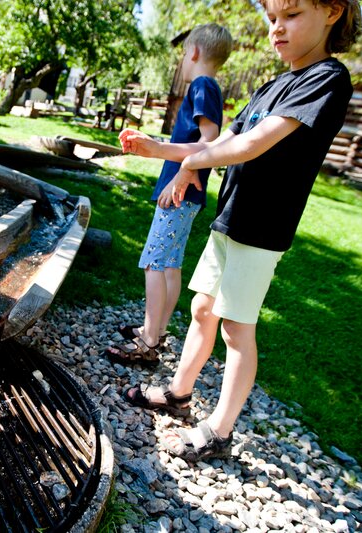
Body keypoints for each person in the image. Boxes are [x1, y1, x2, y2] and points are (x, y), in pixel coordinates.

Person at [119, 0, 360, 462]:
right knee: (203, 308)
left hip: (263, 226)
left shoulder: (326, 80)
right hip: (231, 217)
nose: (277, 29)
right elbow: (224, 141)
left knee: (235, 328)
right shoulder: (275, 83)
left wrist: (190, 162)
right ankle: (178, 393)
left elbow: (252, 144)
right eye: (272, 19)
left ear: (332, 11)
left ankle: (220, 430)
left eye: (291, 16)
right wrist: (159, 151)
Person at [103, 23, 232, 368]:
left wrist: (178, 172)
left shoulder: (202, 85)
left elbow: (211, 140)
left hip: (179, 191)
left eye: (183, 54)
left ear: (193, 52)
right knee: (170, 264)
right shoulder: (212, 88)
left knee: (154, 263)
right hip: (188, 194)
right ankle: (156, 330)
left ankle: (147, 341)